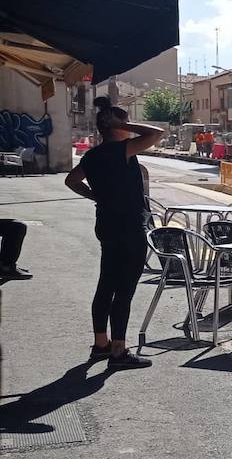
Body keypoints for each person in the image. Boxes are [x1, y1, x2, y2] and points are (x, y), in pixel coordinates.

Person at [64, 97, 164, 369]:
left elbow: (71, 180)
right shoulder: (122, 150)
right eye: (125, 123)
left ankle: (101, 345)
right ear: (118, 126)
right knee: (124, 290)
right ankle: (119, 351)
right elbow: (157, 133)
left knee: (106, 283)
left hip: (106, 224)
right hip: (129, 227)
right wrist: (125, 123)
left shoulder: (93, 156)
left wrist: (95, 196)